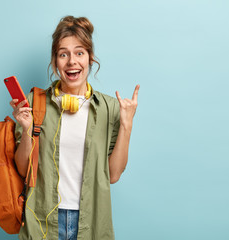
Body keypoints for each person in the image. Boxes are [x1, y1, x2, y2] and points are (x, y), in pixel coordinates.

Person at [10, 15, 139, 240]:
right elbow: (24, 170)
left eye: (79, 53)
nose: (72, 61)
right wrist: (27, 128)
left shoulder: (109, 108)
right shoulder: (35, 103)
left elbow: (114, 174)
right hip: (42, 220)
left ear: (90, 58)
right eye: (63, 54)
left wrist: (126, 126)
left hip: (91, 221)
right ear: (54, 62)